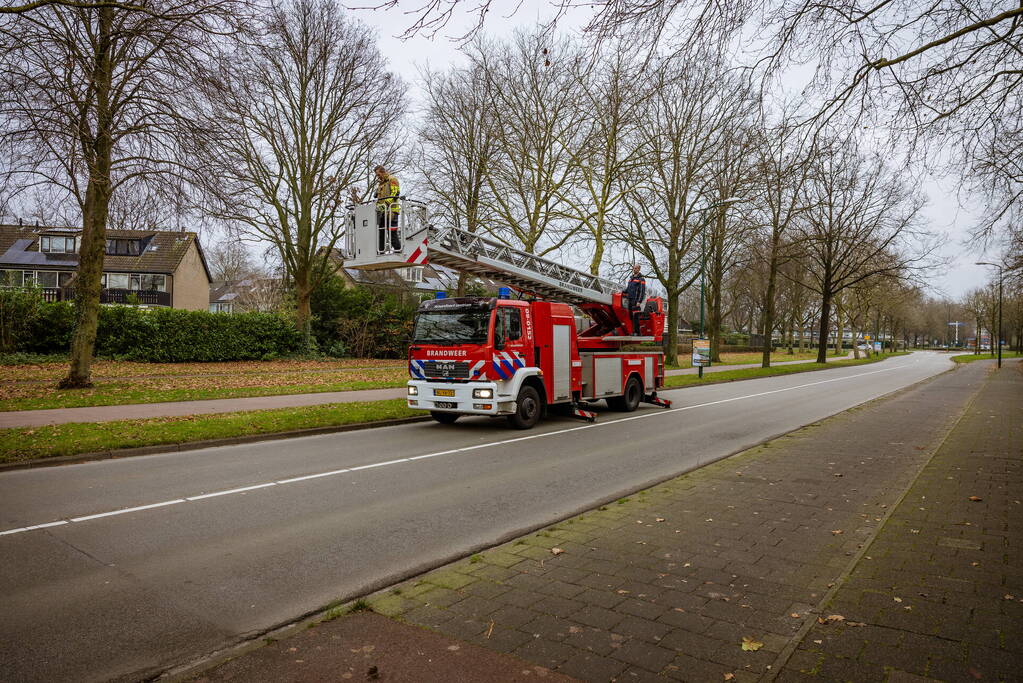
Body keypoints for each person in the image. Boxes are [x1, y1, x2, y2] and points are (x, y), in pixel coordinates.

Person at [374, 164, 401, 252]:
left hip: (391, 211)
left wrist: (385, 204)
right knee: (380, 233)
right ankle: (380, 252)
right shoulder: (380, 184)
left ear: (383, 172)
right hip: (382, 212)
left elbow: (395, 194)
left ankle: (398, 250)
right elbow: (378, 199)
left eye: (378, 174)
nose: (378, 177)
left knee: (392, 233)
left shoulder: (392, 180)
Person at [624, 264, 646, 335]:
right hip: (629, 300)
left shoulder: (641, 279)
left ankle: (637, 332)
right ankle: (632, 331)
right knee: (630, 316)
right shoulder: (631, 278)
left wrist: (639, 301)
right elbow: (628, 289)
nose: (634, 269)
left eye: (636, 268)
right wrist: (622, 292)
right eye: (634, 268)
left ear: (639, 269)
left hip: (636, 300)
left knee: (635, 317)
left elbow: (642, 291)